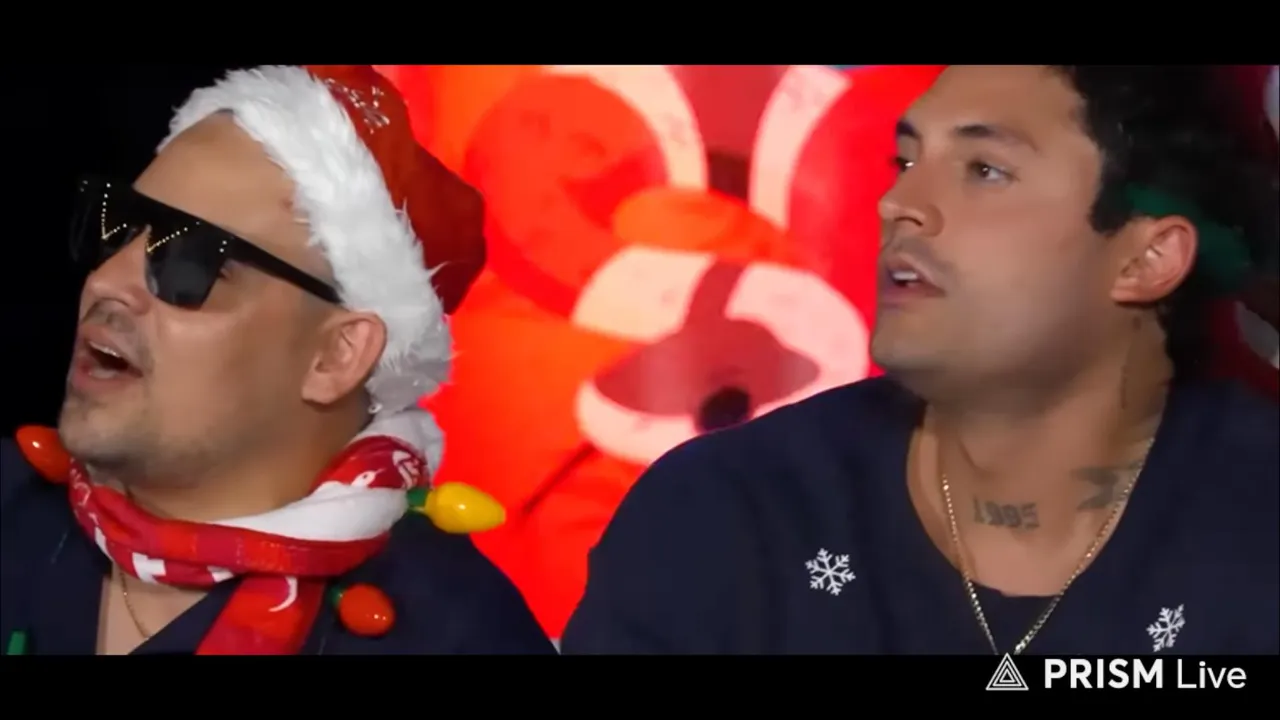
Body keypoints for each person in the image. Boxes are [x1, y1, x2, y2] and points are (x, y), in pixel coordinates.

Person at [561, 65, 1279, 655]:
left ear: (1146, 258)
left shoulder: (1255, 524)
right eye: (905, 162)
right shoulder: (722, 517)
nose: (899, 203)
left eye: (984, 170)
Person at [0, 65, 555, 655]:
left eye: (188, 259)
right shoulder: (13, 506)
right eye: (118, 226)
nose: (107, 281)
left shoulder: (453, 634)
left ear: (336, 356)